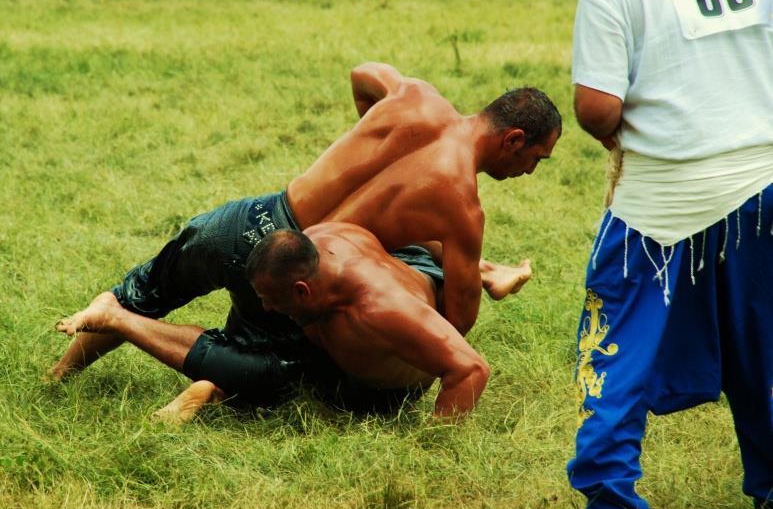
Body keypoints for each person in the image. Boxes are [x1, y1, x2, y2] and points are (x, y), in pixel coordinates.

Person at [49, 62, 560, 384]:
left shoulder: (417, 97)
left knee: (146, 287)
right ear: (512, 139)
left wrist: (364, 130)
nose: (528, 172)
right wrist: (436, 261)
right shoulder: (462, 207)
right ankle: (208, 389)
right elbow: (456, 324)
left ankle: (59, 375)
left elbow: (363, 73)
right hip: (304, 270)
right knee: (278, 372)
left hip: (251, 220)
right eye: (536, 158)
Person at [567, 0, 773, 509]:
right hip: (763, 190)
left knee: (615, 350)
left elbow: (595, 107)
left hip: (661, 203)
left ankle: (610, 495)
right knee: (763, 347)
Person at [56, 223, 491, 421]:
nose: (264, 310)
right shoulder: (321, 239)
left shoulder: (383, 311)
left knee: (282, 381)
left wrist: (434, 440)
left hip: (383, 385)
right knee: (265, 368)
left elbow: (470, 369)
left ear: (302, 291)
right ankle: (123, 321)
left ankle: (487, 271)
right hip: (343, 328)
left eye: (271, 301)